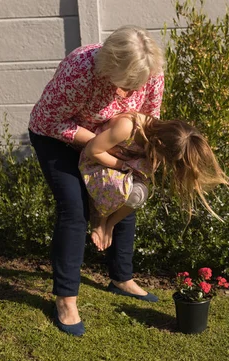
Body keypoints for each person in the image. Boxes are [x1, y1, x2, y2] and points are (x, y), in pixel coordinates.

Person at [28, 26, 164, 336]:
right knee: (74, 210)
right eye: (125, 85)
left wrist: (131, 158)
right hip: (58, 137)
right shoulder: (80, 68)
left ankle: (121, 278)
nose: (130, 93)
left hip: (109, 141)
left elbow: (149, 117)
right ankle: (65, 298)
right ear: (109, 66)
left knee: (125, 190)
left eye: (137, 85)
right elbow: (51, 120)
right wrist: (104, 147)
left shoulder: (150, 72)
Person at [78, 112, 229, 253]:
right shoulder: (128, 127)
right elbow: (92, 151)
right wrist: (123, 166)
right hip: (97, 163)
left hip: (124, 167)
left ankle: (110, 224)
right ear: (161, 145)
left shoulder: (158, 137)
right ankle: (100, 218)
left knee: (139, 194)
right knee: (122, 187)